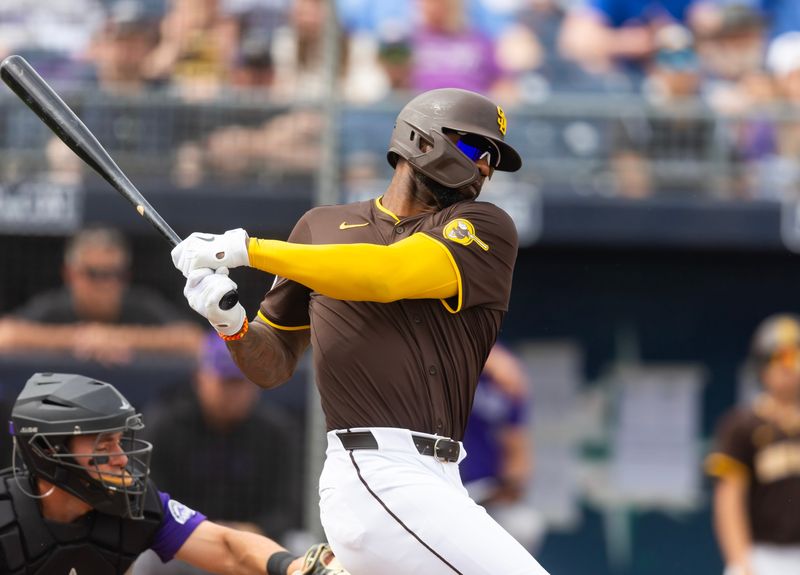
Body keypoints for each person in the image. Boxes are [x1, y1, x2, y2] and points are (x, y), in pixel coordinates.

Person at [170, 88, 549, 574]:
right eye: (476, 147)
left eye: (492, 158)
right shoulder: (321, 228)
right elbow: (272, 364)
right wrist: (230, 323)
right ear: (422, 139)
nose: (484, 167)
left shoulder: (485, 226)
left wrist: (248, 250)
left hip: (441, 477)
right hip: (374, 471)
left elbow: (386, 274)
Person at [2, 372, 348, 575]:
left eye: (119, 442)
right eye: (103, 446)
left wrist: (292, 567)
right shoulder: (7, 516)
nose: (121, 459)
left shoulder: (132, 504)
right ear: (47, 449)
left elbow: (227, 547)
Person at [143, 331, 303, 542]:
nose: (233, 393)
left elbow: (289, 509)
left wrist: (252, 530)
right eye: (225, 382)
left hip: (254, 541)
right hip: (181, 541)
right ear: (200, 378)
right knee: (145, 553)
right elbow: (150, 501)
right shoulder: (167, 425)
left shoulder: (276, 431)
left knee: (301, 545)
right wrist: (197, 530)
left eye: (241, 382)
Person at [0, 226, 203, 364]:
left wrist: (117, 337)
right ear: (71, 274)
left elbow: (194, 340)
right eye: (94, 274)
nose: (106, 284)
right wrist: (79, 337)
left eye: (115, 274)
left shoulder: (140, 303)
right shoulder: (56, 305)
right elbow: (5, 335)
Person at [706, 313, 800, 575]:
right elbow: (729, 498)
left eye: (795, 358)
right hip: (763, 556)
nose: (788, 368)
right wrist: (740, 560)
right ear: (762, 367)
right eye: (779, 359)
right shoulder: (742, 426)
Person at [460, 343, 545, 553]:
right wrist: (491, 358)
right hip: (436, 478)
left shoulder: (505, 379)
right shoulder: (448, 363)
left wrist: (510, 488)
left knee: (524, 526)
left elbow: (517, 446)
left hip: (484, 488)